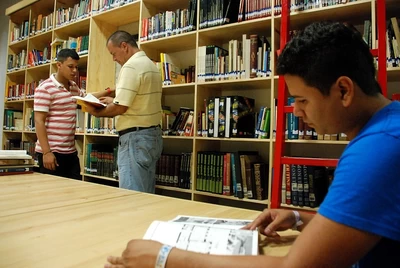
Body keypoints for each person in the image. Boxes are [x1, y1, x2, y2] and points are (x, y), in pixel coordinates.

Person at [104, 21, 400, 268]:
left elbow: (293, 267)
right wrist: (300, 218)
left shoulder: (377, 150)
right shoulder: (388, 126)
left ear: (344, 90)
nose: (295, 112)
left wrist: (164, 257)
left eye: (302, 100)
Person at [85, 30, 163, 193]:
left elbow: (121, 108)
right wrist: (112, 98)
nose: (114, 59)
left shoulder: (131, 66)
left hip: (135, 139)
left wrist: (96, 112)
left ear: (124, 46)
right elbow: (140, 100)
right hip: (152, 136)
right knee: (146, 193)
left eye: (113, 54)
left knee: (131, 195)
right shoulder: (151, 65)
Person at [34, 48, 113, 180]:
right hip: (52, 152)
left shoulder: (73, 86)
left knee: (74, 192)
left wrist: (109, 91)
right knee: (52, 195)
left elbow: (86, 97)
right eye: (70, 67)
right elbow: (39, 121)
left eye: (76, 67)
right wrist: (46, 152)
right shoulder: (45, 88)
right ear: (59, 65)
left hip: (70, 152)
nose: (75, 71)